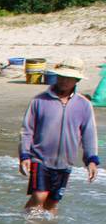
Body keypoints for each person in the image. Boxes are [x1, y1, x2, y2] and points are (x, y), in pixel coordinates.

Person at [20, 59, 99, 215]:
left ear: (77, 80)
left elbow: (89, 133)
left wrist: (91, 160)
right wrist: (25, 155)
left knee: (52, 203)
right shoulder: (40, 100)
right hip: (40, 158)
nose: (64, 81)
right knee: (40, 195)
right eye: (61, 76)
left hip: (65, 162)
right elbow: (27, 130)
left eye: (69, 78)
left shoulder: (83, 105)